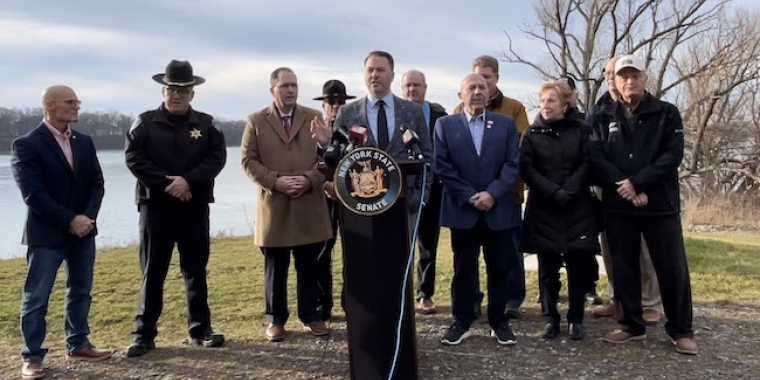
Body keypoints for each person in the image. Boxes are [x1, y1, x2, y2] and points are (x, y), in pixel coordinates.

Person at [588, 55, 697, 355]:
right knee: (624, 269)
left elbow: (671, 156)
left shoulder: (666, 113)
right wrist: (625, 186)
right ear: (617, 81)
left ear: (645, 78)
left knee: (672, 269)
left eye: (634, 75)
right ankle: (631, 326)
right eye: (623, 76)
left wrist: (639, 183)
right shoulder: (603, 115)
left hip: (659, 205)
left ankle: (680, 330)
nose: (629, 81)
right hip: (619, 205)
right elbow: (596, 157)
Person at [124, 60, 227, 357]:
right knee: (153, 271)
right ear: (163, 90)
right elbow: (134, 158)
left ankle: (200, 329)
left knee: (195, 269)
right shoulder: (144, 123)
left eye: (183, 90)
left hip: (193, 206)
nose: (177, 95)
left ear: (192, 93)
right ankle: (143, 334)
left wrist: (188, 182)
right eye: (171, 89)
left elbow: (216, 158)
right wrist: (168, 184)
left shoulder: (208, 124)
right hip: (155, 207)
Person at [11, 85, 112, 380]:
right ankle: (32, 356)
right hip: (47, 235)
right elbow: (33, 194)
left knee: (81, 290)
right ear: (49, 105)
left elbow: (97, 184)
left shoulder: (85, 142)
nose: (76, 107)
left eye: (77, 102)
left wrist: (87, 218)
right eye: (70, 102)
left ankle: (78, 342)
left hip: (84, 232)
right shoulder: (26, 144)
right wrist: (70, 220)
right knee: (37, 297)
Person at [242, 67, 333, 342]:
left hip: (309, 203)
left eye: (294, 85)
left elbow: (328, 158)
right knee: (275, 266)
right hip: (275, 204)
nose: (291, 90)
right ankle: (276, 320)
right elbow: (248, 160)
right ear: (273, 90)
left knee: (308, 265)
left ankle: (311, 316)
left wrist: (309, 179)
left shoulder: (314, 117)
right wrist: (275, 181)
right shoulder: (256, 120)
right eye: (284, 86)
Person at [435, 73, 521, 346]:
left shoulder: (506, 125)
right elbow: (442, 165)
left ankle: (499, 321)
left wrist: (492, 193)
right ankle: (462, 321)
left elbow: (512, 163)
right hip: (463, 210)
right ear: (461, 94)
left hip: (498, 210)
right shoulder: (445, 125)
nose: (477, 92)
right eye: (471, 88)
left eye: (482, 87)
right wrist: (470, 196)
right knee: (464, 269)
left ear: (490, 91)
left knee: (499, 268)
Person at [521, 80, 600, 341]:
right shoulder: (531, 134)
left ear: (565, 104)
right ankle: (549, 318)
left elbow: (589, 161)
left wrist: (570, 189)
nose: (546, 105)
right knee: (547, 269)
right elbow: (527, 168)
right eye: (543, 101)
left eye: (552, 101)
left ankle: (576, 319)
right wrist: (553, 191)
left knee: (578, 267)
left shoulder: (581, 129)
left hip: (577, 207)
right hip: (544, 207)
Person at [589, 56, 663, 324]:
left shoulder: (647, 106)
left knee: (644, 248)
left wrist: (636, 185)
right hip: (608, 188)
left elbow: (651, 152)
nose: (611, 77)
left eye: (615, 72)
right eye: (608, 73)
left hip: (642, 188)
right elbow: (594, 152)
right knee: (611, 247)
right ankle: (618, 297)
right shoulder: (599, 109)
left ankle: (650, 302)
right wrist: (618, 183)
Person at [310, 51, 433, 213]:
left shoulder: (412, 111)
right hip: (360, 204)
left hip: (404, 203)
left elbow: (427, 157)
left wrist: (421, 198)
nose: (374, 75)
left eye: (380, 70)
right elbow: (338, 161)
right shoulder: (348, 113)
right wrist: (326, 143)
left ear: (392, 75)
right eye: (370, 70)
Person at [454, 55, 529, 318]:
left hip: (505, 193)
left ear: (496, 78)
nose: (480, 84)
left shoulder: (514, 108)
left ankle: (511, 298)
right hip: (470, 197)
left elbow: (519, 146)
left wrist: (496, 188)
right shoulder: (457, 111)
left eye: (486, 78)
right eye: (476, 77)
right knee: (467, 256)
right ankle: (472, 299)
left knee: (508, 251)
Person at [400, 69, 448, 314]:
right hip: (402, 189)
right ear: (402, 89)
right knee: (402, 244)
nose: (412, 90)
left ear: (425, 88)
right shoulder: (394, 115)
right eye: (408, 86)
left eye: (416, 85)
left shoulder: (439, 114)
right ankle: (402, 295)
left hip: (433, 186)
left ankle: (425, 294)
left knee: (428, 243)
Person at [557, 75, 604, 306]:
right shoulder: (543, 122)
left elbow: (591, 159)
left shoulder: (585, 122)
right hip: (551, 194)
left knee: (584, 245)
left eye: (568, 92)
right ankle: (552, 289)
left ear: (575, 96)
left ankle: (589, 287)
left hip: (580, 192)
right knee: (551, 246)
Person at [312, 79, 356, 321]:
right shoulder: (313, 128)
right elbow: (309, 163)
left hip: (349, 198)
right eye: (332, 102)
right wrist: (326, 185)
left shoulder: (355, 130)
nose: (336, 107)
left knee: (352, 252)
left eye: (341, 102)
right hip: (323, 198)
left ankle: (351, 302)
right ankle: (322, 305)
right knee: (322, 252)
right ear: (324, 104)